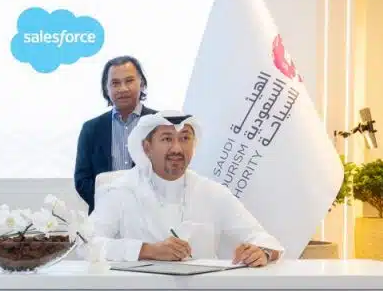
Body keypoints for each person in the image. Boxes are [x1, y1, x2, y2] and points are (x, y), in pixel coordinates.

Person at [89, 111, 283, 267]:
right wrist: (147, 250)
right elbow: (87, 244)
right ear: (147, 148)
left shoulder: (212, 192)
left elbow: (265, 239)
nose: (177, 148)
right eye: (167, 139)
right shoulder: (121, 190)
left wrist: (262, 252)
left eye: (184, 139)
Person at [74, 55, 158, 213]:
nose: (123, 88)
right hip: (103, 216)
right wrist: (112, 205)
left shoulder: (160, 124)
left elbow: (168, 175)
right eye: (115, 83)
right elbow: (82, 180)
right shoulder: (91, 128)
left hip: (150, 216)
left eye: (129, 81)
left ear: (142, 83)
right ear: (106, 89)